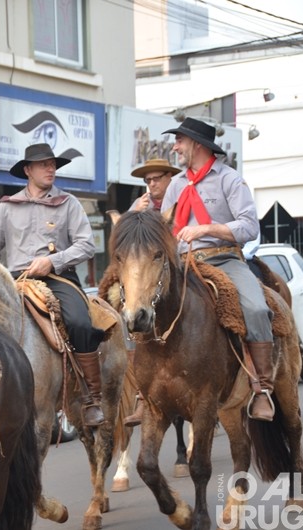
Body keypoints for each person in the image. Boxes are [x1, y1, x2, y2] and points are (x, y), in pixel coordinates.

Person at [0, 143, 106, 427]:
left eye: (53, 164)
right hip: (14, 280)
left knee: (80, 322)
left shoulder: (68, 203)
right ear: (28, 170)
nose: (50, 169)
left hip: (58, 277)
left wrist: (53, 261)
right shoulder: (6, 207)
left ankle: (91, 397)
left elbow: (86, 245)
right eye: (43, 164)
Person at [161, 117, 275, 422]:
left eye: (180, 141)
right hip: (182, 263)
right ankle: (144, 392)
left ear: (197, 144)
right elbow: (165, 228)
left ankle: (262, 388)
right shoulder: (175, 185)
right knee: (144, 305)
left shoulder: (229, 179)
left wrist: (206, 229)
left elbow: (250, 226)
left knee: (256, 309)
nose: (175, 147)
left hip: (223, 259)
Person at [124, 157, 181, 426]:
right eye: (147, 180)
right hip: (147, 272)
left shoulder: (182, 195)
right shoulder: (141, 208)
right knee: (115, 306)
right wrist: (134, 212)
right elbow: (126, 244)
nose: (152, 184)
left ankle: (251, 379)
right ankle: (140, 392)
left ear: (171, 178)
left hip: (187, 262)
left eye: (157, 178)